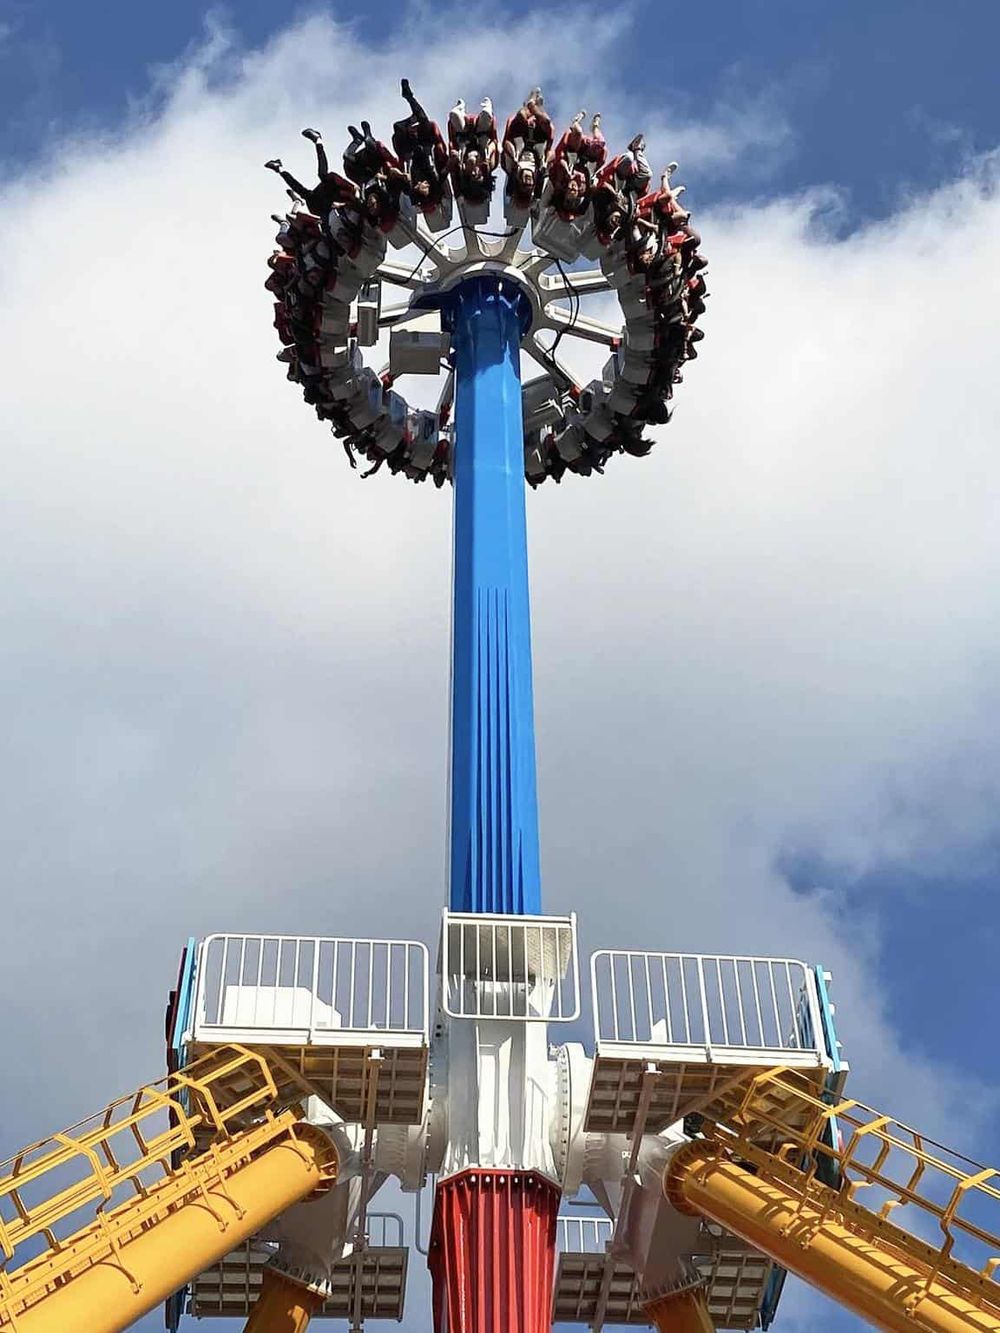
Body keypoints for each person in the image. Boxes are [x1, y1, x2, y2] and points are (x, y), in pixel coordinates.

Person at [264, 128, 357, 217]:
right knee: (322, 175)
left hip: (327, 204)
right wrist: (343, 203)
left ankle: (279, 168)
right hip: (337, 190)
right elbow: (354, 196)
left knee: (304, 194)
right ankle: (318, 141)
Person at [392, 79, 450, 212]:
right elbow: (446, 169)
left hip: (410, 151)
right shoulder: (435, 180)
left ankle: (413, 118)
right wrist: (453, 159)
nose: (424, 185)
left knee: (397, 127)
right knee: (423, 120)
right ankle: (409, 96)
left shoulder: (409, 187)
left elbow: (392, 172)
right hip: (426, 145)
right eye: (426, 187)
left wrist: (401, 175)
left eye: (421, 188)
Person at [448, 97, 499, 204]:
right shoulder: (489, 165)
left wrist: (455, 156)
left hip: (464, 136)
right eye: (478, 175)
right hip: (481, 136)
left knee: (453, 114)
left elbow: (452, 147)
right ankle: (487, 108)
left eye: (472, 176)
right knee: (486, 114)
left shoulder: (461, 169)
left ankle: (460, 108)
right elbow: (494, 144)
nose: (474, 172)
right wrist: (488, 155)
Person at [502, 88, 553, 192]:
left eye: (524, 183)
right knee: (546, 121)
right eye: (530, 184)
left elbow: (506, 144)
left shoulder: (512, 169)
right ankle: (535, 107)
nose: (528, 181)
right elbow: (551, 153)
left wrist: (514, 157)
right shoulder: (540, 171)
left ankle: (530, 105)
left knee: (521, 115)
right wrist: (545, 162)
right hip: (538, 141)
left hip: (520, 137)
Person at [342, 121, 401, 187]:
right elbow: (390, 158)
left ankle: (357, 140)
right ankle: (368, 136)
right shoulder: (393, 163)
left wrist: (382, 177)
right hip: (373, 157)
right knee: (371, 144)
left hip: (364, 167)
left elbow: (362, 182)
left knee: (346, 155)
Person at [551, 111, 606, 180]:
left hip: (585, 153)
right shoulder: (582, 141)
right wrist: (567, 170)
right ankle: (576, 121)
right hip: (577, 144)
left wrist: (593, 174)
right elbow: (559, 155)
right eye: (594, 149)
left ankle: (595, 126)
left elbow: (596, 169)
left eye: (596, 150)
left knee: (601, 141)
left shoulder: (602, 154)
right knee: (578, 132)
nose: (595, 150)